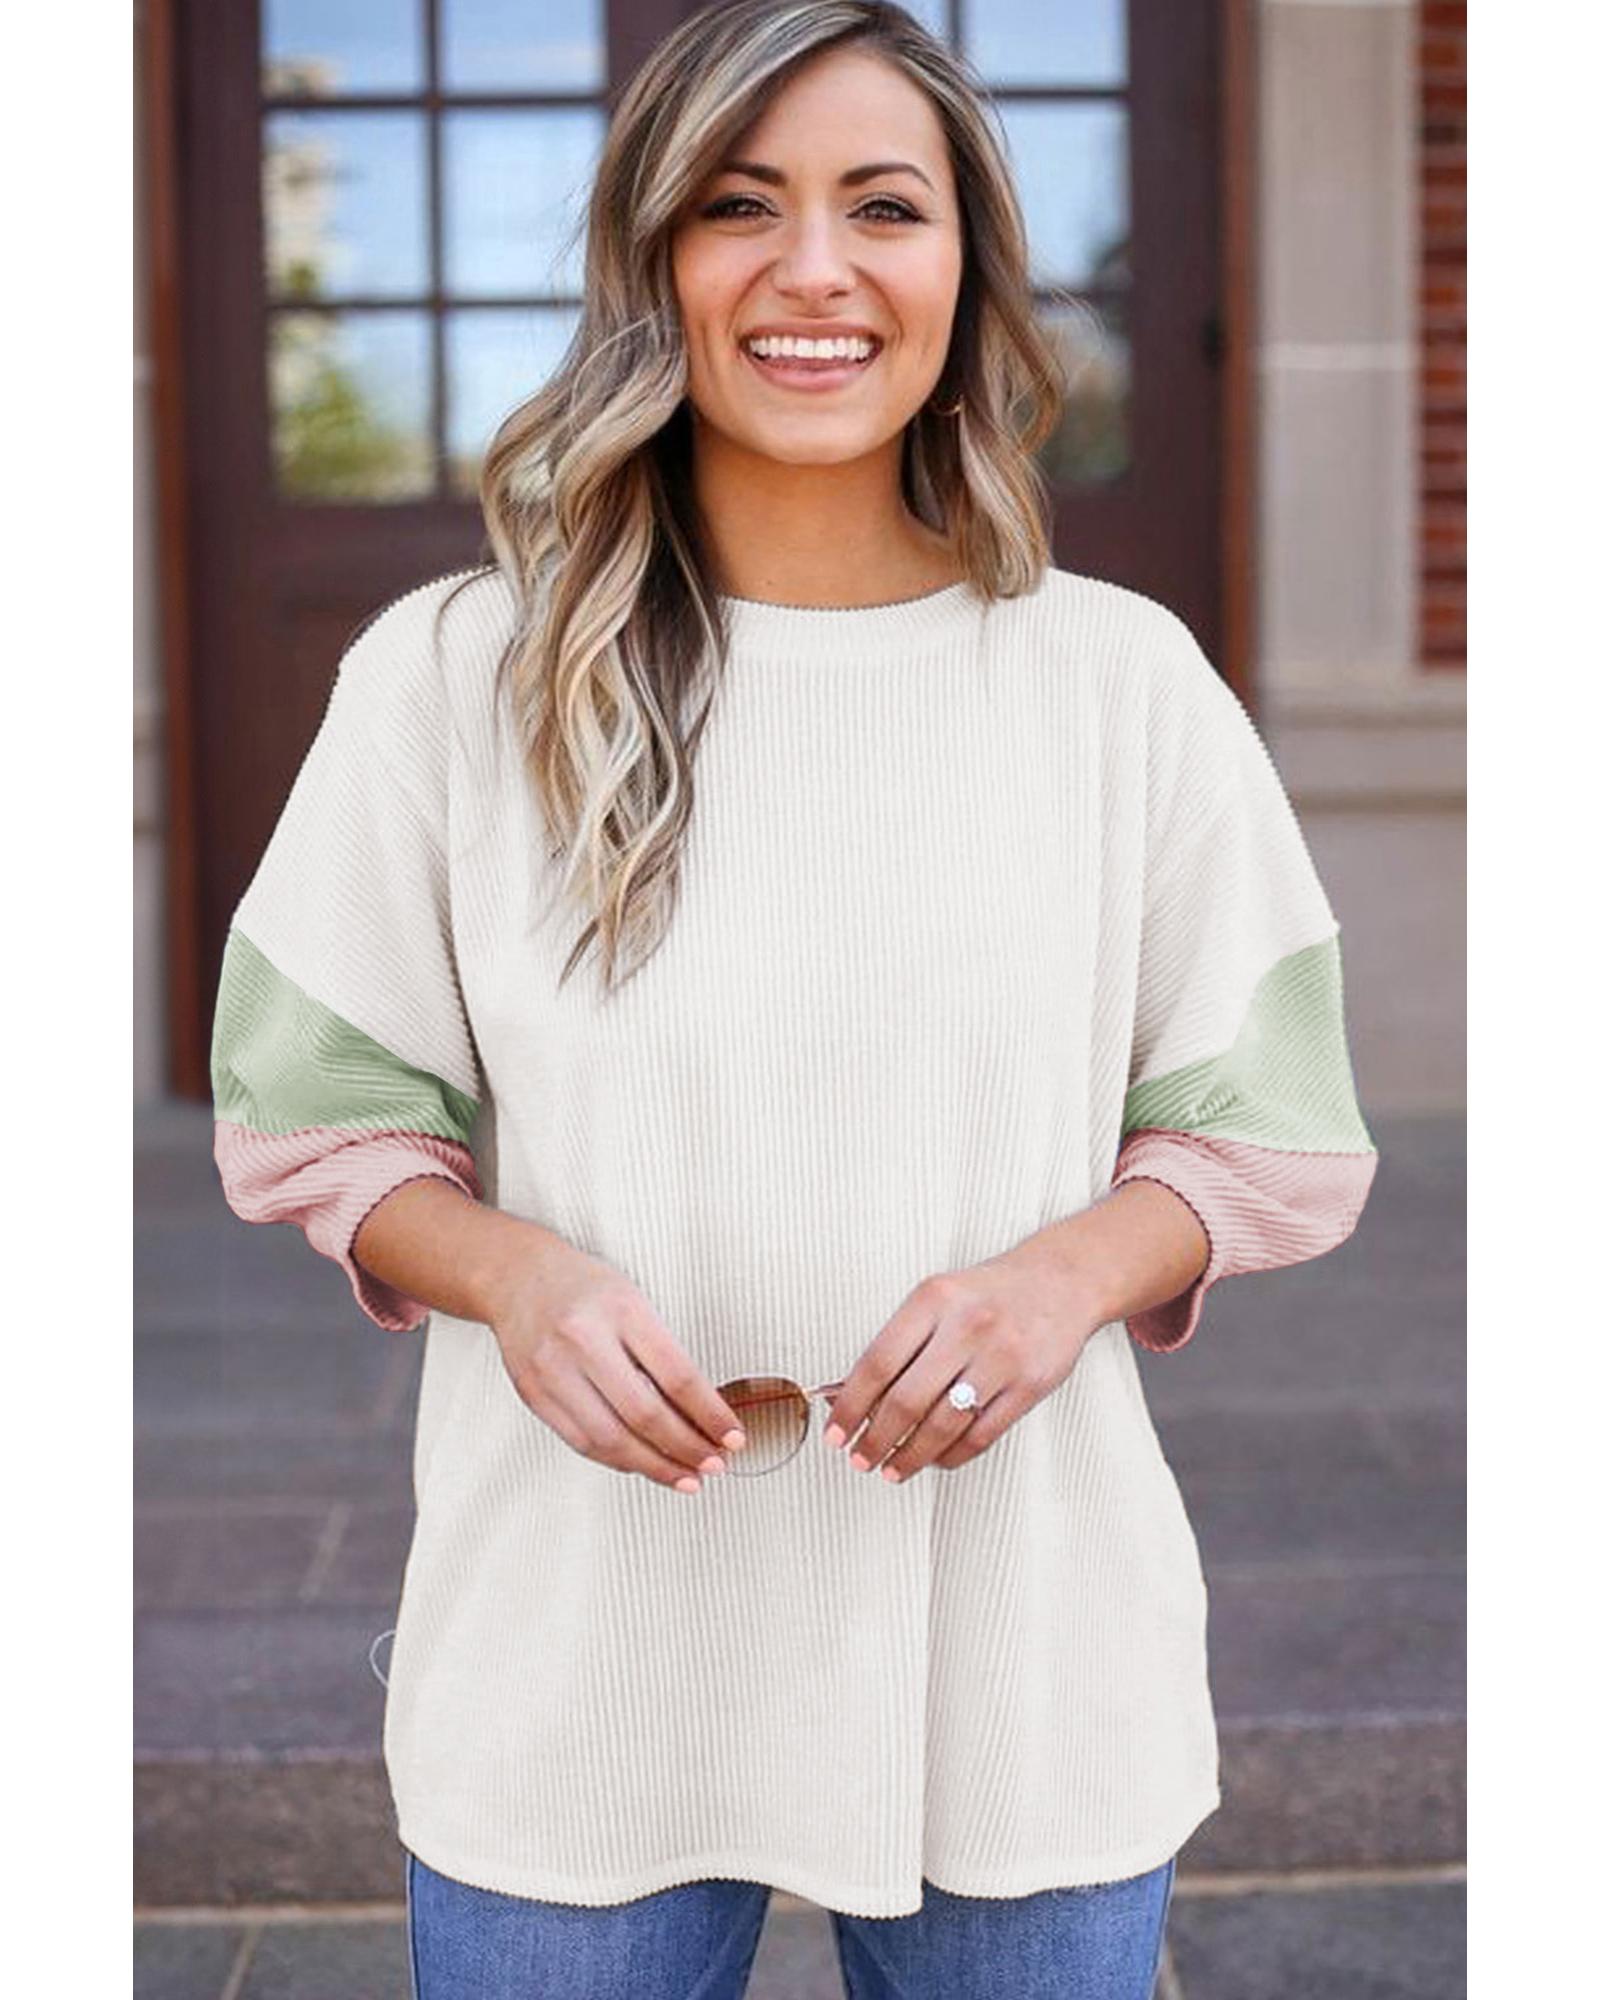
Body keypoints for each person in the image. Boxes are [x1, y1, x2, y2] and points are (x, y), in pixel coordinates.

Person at [209, 3, 1379, 1994]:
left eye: (883, 208)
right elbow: (317, 1109)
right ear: (652, 260)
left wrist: (1065, 1278)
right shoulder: (453, 674)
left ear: (966, 271)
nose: (813, 268)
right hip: (582, 1657)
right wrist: (513, 1276)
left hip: (1021, 1653)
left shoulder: (1119, 685)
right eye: (739, 206)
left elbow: (1267, 1127)